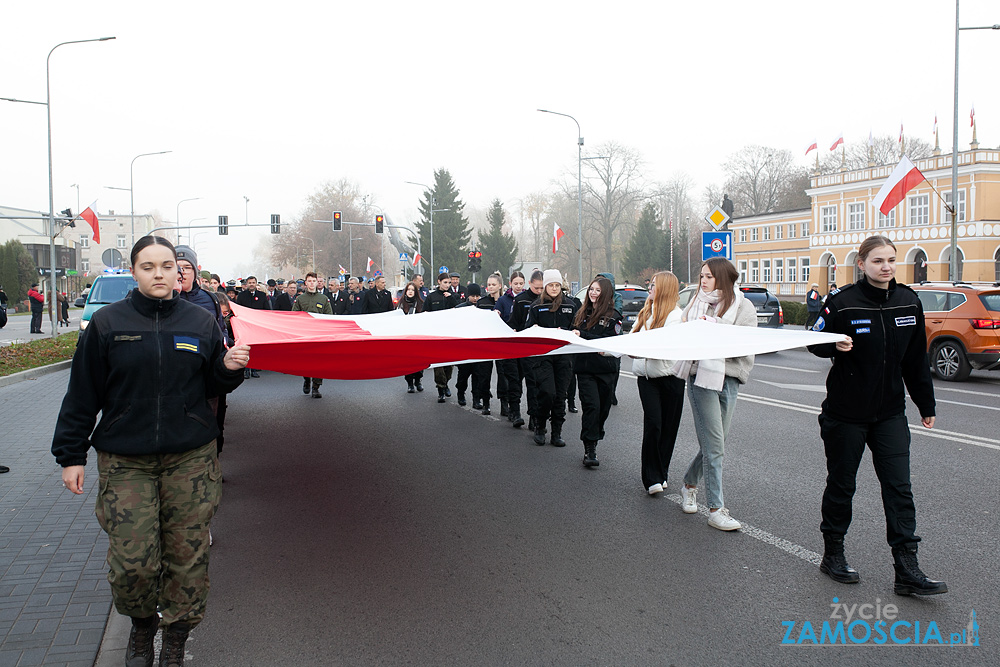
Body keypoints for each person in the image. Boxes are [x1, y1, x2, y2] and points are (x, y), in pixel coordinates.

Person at [51, 235, 248, 667]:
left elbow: (211, 384)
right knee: (133, 562)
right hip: (126, 461)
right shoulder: (108, 324)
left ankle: (175, 640)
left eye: (167, 267)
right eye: (148, 267)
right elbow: (82, 394)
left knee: (188, 557)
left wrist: (229, 369)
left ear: (179, 273)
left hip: (189, 459)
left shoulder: (199, 322)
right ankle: (142, 628)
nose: (159, 274)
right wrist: (71, 455)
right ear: (135, 271)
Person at [808, 235, 946, 596]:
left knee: (900, 488)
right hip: (846, 413)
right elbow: (814, 340)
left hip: (889, 413)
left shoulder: (908, 302)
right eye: (877, 261)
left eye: (890, 260)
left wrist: (925, 405)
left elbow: (917, 360)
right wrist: (831, 344)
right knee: (843, 484)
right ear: (862, 264)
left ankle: (907, 568)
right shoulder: (843, 303)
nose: (885, 267)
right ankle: (833, 553)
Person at [675, 257, 756, 531]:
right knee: (715, 446)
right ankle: (716, 509)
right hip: (701, 378)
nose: (703, 281)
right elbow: (685, 337)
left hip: (729, 379)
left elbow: (745, 346)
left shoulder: (744, 307)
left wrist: (714, 331)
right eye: (701, 276)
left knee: (715, 444)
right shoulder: (696, 303)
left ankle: (688, 483)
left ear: (722, 277)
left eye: (708, 276)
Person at [631, 271, 685, 494]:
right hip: (647, 378)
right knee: (654, 424)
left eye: (654, 285)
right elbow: (632, 338)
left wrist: (644, 348)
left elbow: (669, 346)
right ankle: (651, 477)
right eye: (650, 284)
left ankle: (662, 472)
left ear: (665, 288)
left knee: (669, 428)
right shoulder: (645, 312)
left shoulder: (676, 316)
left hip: (671, 377)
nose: (650, 288)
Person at [571, 275, 622, 467]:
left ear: (606, 293)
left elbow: (608, 342)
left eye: (597, 290)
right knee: (591, 407)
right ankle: (589, 449)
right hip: (585, 370)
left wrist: (583, 334)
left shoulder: (614, 317)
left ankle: (596, 433)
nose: (593, 293)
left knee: (603, 409)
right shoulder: (581, 313)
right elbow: (572, 333)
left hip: (606, 370)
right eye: (591, 289)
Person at [525, 270, 578, 446]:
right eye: (551, 285)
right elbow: (528, 331)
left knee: (560, 396)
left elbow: (576, 329)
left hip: (564, 357)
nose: (554, 288)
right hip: (543, 357)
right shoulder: (536, 307)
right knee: (548, 392)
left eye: (557, 285)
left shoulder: (570, 305)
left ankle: (557, 432)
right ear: (545, 286)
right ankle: (540, 425)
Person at [504, 270, 543, 428]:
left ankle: (534, 417)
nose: (539, 291)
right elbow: (513, 323)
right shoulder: (521, 300)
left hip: (535, 349)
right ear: (530, 285)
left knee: (533, 384)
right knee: (515, 381)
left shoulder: (546, 300)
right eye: (536, 288)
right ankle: (514, 412)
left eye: (542, 288)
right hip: (519, 346)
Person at [292, 272, 333, 398]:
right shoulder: (300, 299)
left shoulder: (323, 299)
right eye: (309, 281)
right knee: (305, 360)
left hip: (319, 335)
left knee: (319, 361)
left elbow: (329, 317)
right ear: (305, 283)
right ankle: (306, 379)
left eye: (313, 281)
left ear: (317, 283)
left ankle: (316, 387)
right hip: (305, 335)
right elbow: (294, 316)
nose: (311, 283)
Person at [494, 271, 525, 419]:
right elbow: (497, 318)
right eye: (516, 283)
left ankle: (515, 404)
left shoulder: (526, 299)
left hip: (523, 343)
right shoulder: (503, 300)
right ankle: (506, 404)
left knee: (519, 377)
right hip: (507, 343)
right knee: (506, 376)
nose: (518, 286)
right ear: (510, 283)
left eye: (521, 283)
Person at [423, 272, 457, 402]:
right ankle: (441, 389)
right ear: (439, 282)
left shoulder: (452, 296)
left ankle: (446, 382)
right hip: (436, 335)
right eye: (445, 282)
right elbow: (425, 313)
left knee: (450, 364)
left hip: (450, 335)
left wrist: (451, 298)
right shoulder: (432, 297)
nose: (448, 285)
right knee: (438, 365)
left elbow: (459, 310)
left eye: (449, 283)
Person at [235, 276, 270, 377]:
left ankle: (254, 369)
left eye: (253, 282)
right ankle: (246, 369)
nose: (251, 284)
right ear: (247, 284)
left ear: (256, 284)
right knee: (245, 347)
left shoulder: (262, 295)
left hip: (257, 325)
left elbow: (266, 310)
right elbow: (238, 309)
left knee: (255, 348)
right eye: (250, 283)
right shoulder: (241, 295)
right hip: (245, 325)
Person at [398, 281, 425, 393]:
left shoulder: (420, 304)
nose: (410, 292)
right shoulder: (400, 304)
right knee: (408, 362)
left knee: (419, 361)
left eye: (412, 290)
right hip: (405, 338)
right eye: (408, 289)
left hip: (418, 337)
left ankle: (418, 380)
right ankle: (410, 383)